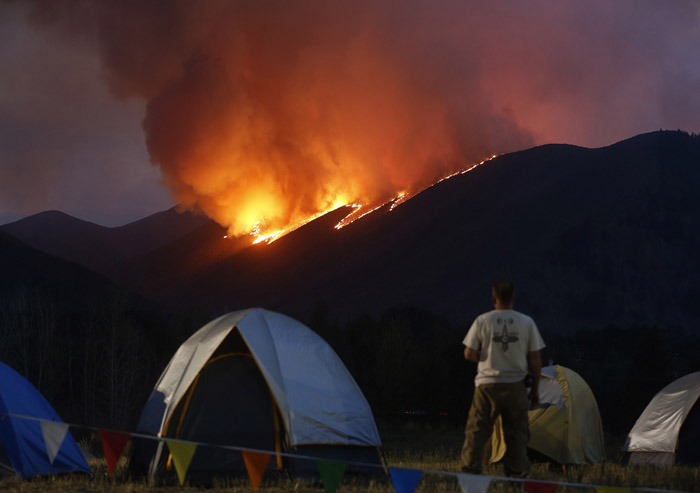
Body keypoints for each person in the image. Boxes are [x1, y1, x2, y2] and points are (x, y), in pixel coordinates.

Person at [460, 280, 545, 478]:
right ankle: (517, 476)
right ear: (513, 298)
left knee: (477, 431)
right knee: (516, 435)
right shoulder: (526, 322)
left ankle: (470, 473)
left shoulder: (483, 321)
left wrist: (487, 355)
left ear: (494, 299)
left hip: (487, 384)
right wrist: (535, 390)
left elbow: (468, 353)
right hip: (515, 385)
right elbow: (535, 360)